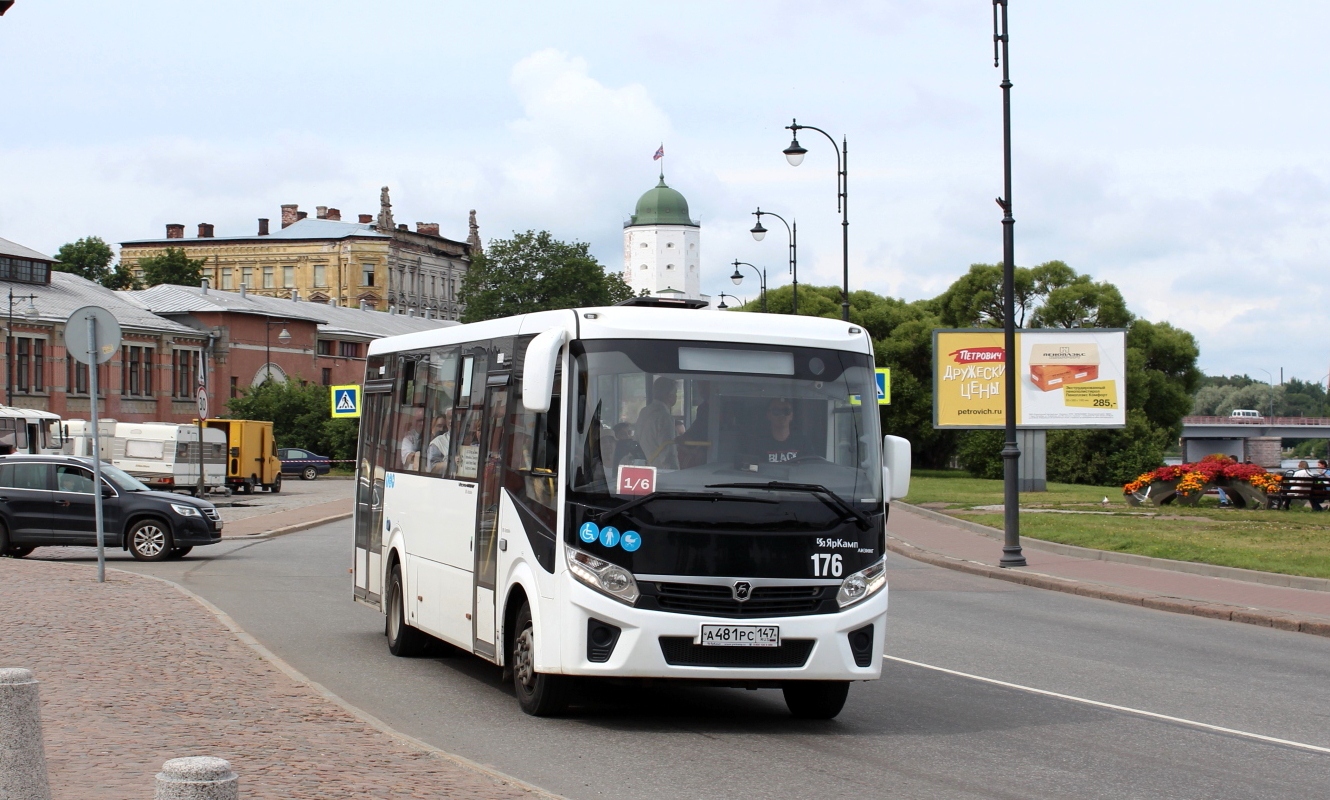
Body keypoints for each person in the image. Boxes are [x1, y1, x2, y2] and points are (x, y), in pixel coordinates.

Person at [635, 376, 679, 469]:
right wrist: (674, 473)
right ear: (669, 396)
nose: (676, 396)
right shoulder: (665, 417)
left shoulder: (644, 411)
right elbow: (668, 452)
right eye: (675, 393)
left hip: (646, 467)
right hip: (662, 471)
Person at [751, 398, 811, 464]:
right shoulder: (759, 444)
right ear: (769, 415)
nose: (782, 415)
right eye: (776, 411)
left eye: (786, 411)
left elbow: (810, 469)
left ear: (791, 415)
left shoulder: (803, 443)